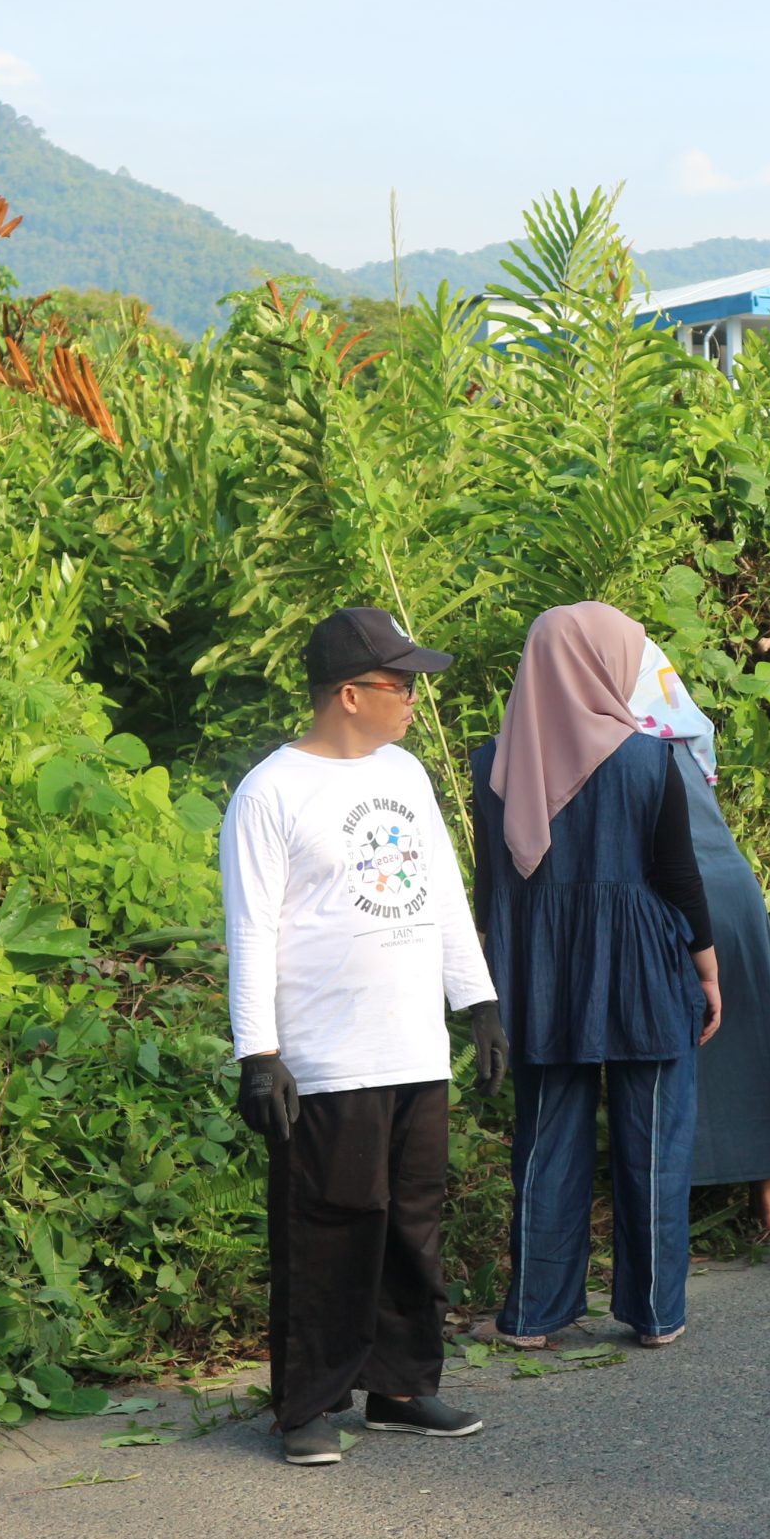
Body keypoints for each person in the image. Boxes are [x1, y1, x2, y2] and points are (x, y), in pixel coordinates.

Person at [219, 606, 506, 1466]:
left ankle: (401, 1384)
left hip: (413, 1041)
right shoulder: (270, 792)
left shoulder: (407, 775)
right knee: (329, 1225)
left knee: (412, 1223)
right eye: (400, 683)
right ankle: (307, 1402)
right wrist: (257, 1053)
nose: (414, 698)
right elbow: (252, 929)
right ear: (350, 694)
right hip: (327, 1052)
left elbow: (444, 893)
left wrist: (478, 1002)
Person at [473, 603, 719, 1350]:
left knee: (546, 1138)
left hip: (540, 970)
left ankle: (534, 1315)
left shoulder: (493, 764)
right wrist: (708, 973)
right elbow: (680, 877)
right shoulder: (651, 758)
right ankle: (655, 1312)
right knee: (653, 1139)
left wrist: (488, 986)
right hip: (644, 962)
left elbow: (490, 889)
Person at [628, 638, 770, 1231]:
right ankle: (768, 1202)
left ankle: (673, 1207)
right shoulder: (683, 736)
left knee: (688, 1043)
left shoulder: (618, 748)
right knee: (754, 1040)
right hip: (734, 892)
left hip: (680, 902)